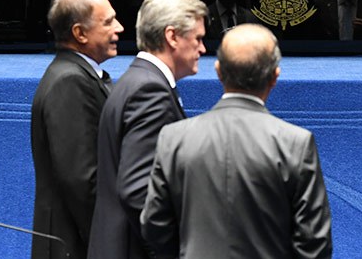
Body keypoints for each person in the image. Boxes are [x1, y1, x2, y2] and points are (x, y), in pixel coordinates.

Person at [141, 23, 333, 258]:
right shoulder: (296, 143)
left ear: (219, 71)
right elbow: (314, 242)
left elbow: (154, 226)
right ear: (275, 77)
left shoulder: (174, 138)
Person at [88, 0, 207, 259]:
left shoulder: (137, 81)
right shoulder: (149, 91)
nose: (203, 48)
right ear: (172, 36)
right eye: (197, 38)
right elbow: (138, 192)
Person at [30, 0, 124, 259]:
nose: (119, 28)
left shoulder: (77, 74)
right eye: (108, 22)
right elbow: (82, 181)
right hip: (75, 246)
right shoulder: (70, 81)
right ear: (79, 33)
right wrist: (115, 242)